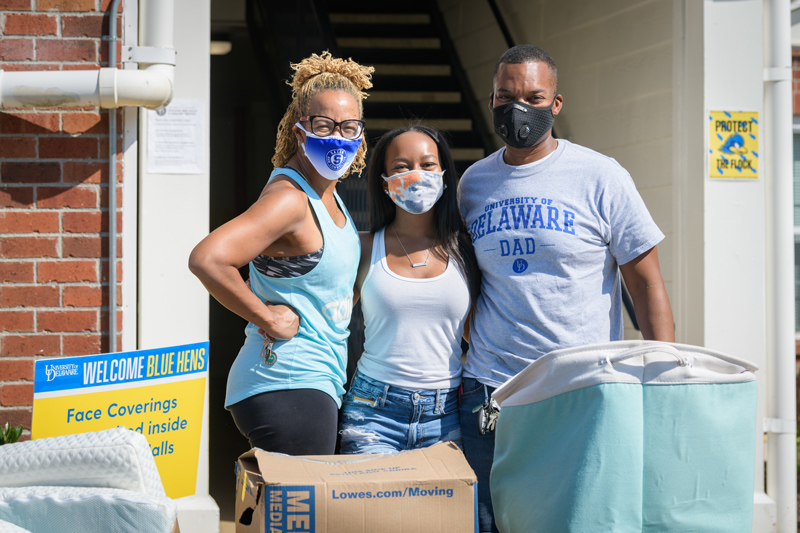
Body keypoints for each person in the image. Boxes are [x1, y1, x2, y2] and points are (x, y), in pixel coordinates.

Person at [457, 44, 675, 532]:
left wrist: (661, 381)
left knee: (578, 520)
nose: (519, 108)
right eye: (506, 96)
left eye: (534, 97)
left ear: (556, 104)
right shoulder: (473, 183)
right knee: (490, 523)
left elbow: (646, 284)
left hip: (582, 390)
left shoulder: (601, 176)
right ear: (492, 101)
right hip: (493, 391)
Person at [188, 52, 373, 455]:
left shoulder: (327, 193)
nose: (337, 138)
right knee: (298, 518)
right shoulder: (289, 199)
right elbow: (207, 258)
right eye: (324, 125)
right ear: (300, 131)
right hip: (286, 381)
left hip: (314, 380)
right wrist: (266, 315)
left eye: (349, 127)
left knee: (284, 514)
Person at [338, 125, 480, 454]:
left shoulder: (468, 251)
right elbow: (328, 315)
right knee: (371, 506)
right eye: (401, 167)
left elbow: (478, 334)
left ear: (445, 176)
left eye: (428, 164)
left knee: (445, 507)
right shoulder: (363, 248)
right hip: (373, 410)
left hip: (447, 415)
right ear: (384, 183)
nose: (416, 175)